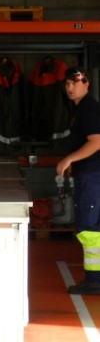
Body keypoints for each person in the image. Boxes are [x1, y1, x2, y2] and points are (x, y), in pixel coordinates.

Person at [56, 66, 100, 295]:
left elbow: (96, 141)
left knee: (89, 228)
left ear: (87, 84)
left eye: (75, 82)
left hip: (92, 176)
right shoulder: (80, 109)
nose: (70, 87)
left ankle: (94, 280)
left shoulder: (88, 109)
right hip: (90, 174)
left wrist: (68, 159)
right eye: (67, 84)